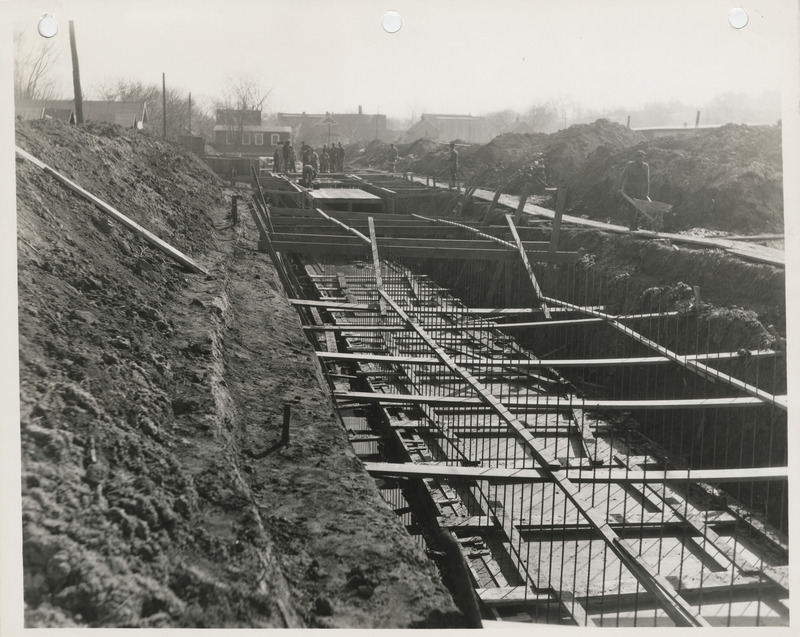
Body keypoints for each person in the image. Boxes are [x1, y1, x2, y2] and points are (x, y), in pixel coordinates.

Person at [620, 149, 650, 230]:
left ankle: (636, 225)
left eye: (642, 157)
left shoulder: (645, 166)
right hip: (630, 189)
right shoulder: (629, 165)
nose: (641, 158)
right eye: (639, 157)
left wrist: (647, 191)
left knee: (641, 208)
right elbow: (623, 176)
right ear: (636, 158)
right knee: (633, 207)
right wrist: (619, 186)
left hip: (640, 190)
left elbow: (647, 180)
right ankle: (631, 225)